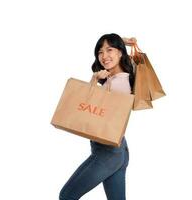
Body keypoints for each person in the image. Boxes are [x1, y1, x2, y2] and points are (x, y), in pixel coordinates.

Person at [59, 33, 137, 200]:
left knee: (66, 196)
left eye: (109, 50)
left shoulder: (116, 84)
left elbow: (86, 106)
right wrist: (121, 42)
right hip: (119, 150)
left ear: (120, 53)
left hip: (107, 153)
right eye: (100, 52)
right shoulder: (125, 75)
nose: (104, 56)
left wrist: (94, 79)